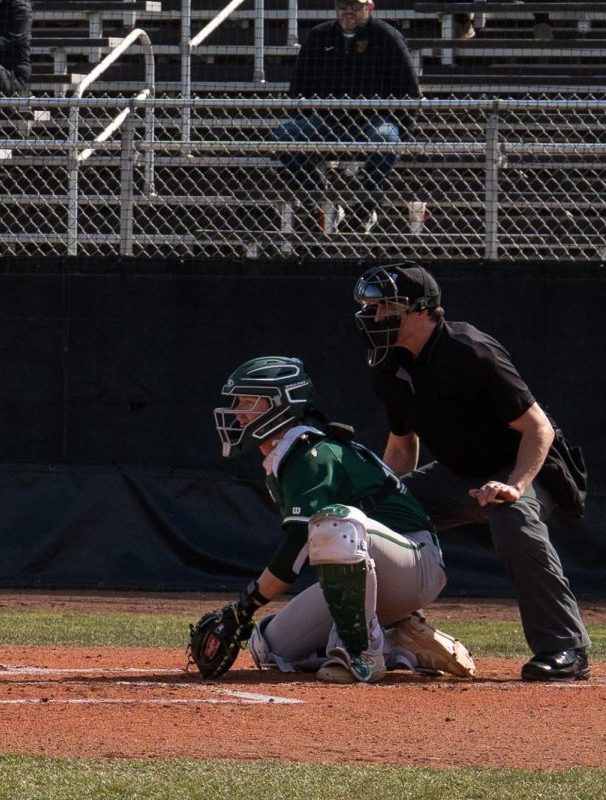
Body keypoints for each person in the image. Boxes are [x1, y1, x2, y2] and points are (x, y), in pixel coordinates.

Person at [353, 262, 592, 681]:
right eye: (372, 307)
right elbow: (402, 444)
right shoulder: (387, 366)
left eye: (385, 307)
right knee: (373, 517)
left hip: (521, 465)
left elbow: (538, 428)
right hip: (456, 475)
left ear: (422, 310)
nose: (374, 316)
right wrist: (385, 499)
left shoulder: (469, 350)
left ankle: (565, 647)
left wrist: (515, 486)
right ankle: (397, 632)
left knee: (512, 518)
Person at [193, 356, 475, 684]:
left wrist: (245, 606)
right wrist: (246, 616)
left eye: (247, 402)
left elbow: (299, 545)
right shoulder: (286, 455)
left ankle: (363, 651)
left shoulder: (312, 455)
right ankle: (398, 641)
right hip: (372, 566)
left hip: (415, 560)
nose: (239, 413)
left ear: (280, 405)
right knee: (269, 647)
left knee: (333, 521)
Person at [270, 0, 419, 235]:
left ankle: (365, 207)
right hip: (327, 121)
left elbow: (409, 89)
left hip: (374, 121)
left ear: (369, 7)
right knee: (284, 135)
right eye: (342, 4)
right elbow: (298, 87)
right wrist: (307, 116)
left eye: (356, 5)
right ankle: (321, 198)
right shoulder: (319, 36)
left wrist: (405, 128)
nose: (349, 10)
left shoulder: (387, 36)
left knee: (386, 140)